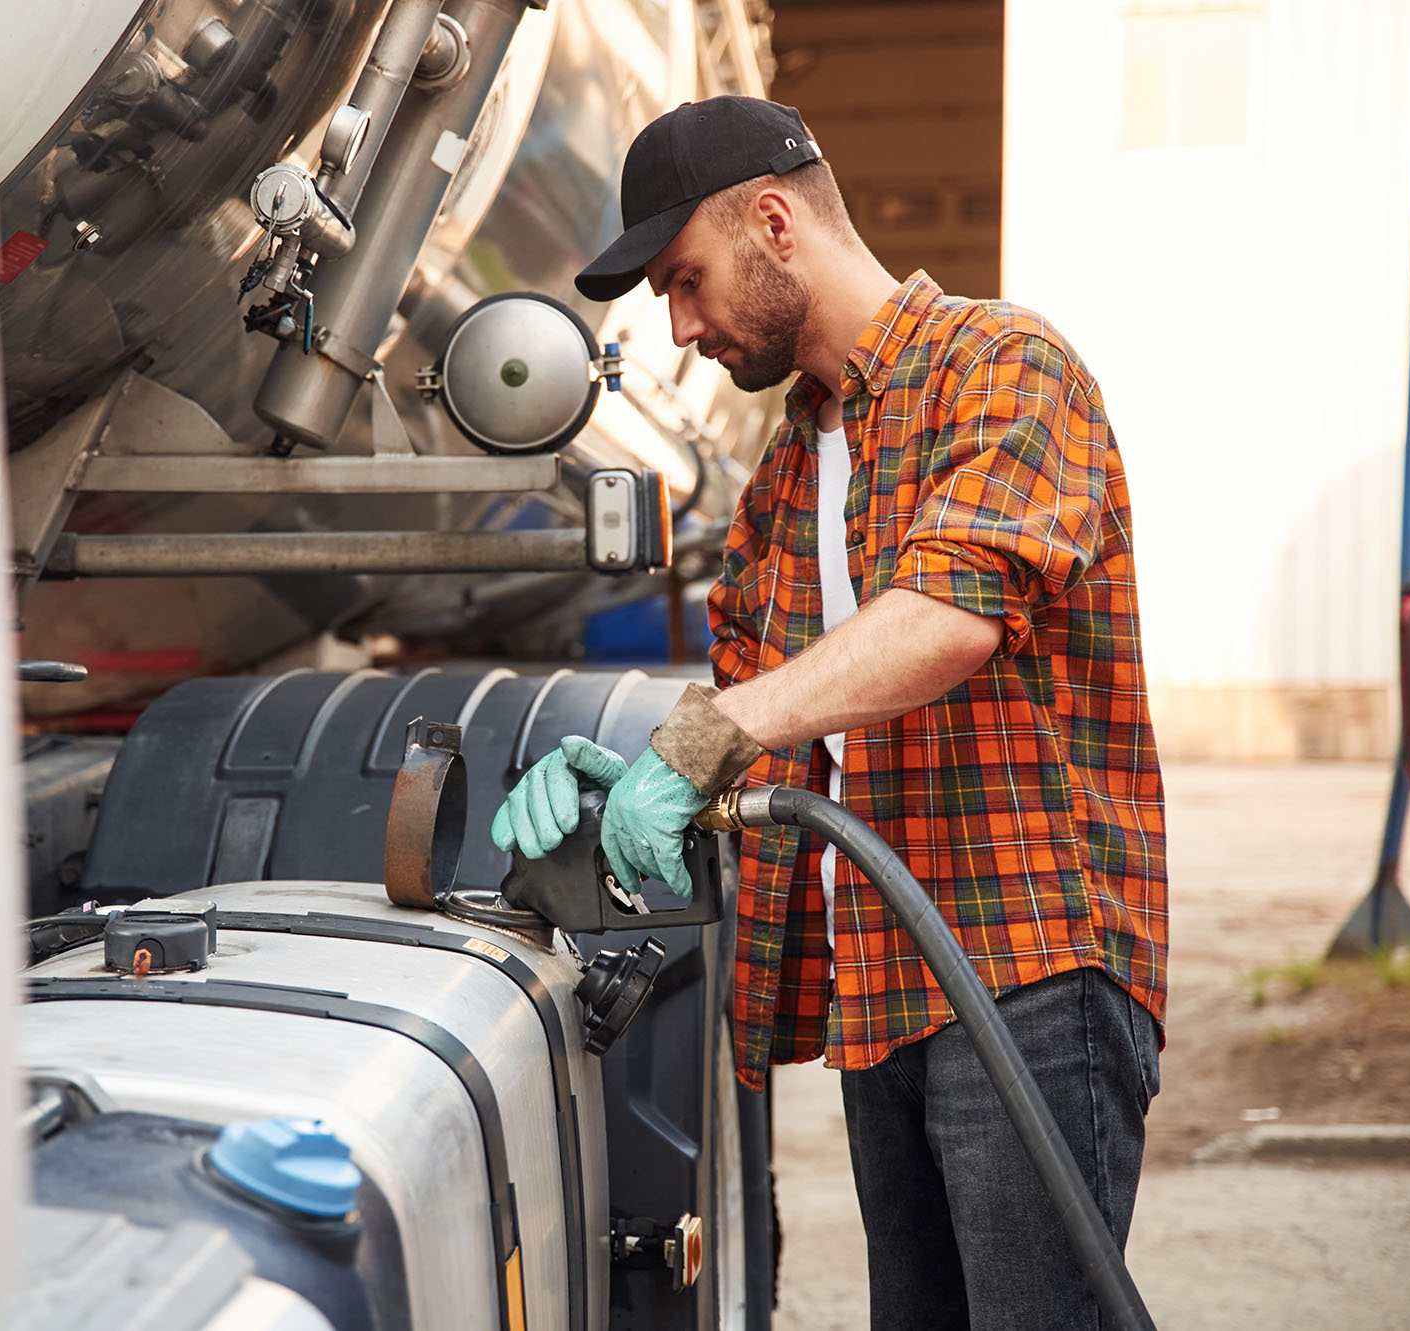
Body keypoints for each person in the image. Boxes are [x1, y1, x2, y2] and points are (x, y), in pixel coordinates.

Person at [489, 96, 1168, 1330]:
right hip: (885, 980)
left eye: (685, 282)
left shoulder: (1003, 365)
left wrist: (704, 741)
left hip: (1027, 964)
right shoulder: (788, 472)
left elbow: (948, 613)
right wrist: (633, 773)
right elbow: (759, 714)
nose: (682, 330)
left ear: (770, 220)